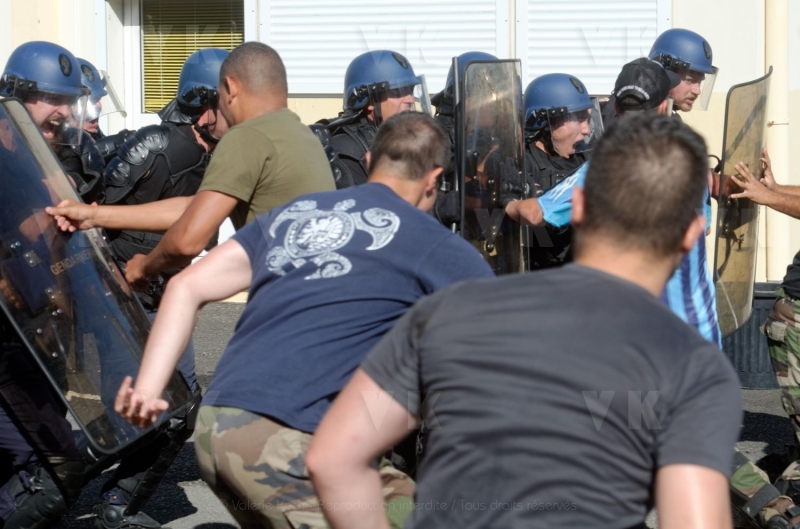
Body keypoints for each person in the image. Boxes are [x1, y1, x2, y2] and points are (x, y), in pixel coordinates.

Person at [307, 112, 742, 529]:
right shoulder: (694, 368)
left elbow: (333, 458)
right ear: (692, 232)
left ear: (578, 205)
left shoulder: (448, 312)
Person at [114, 112, 495, 529]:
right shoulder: (441, 248)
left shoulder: (298, 214)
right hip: (288, 441)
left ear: (369, 161)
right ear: (434, 178)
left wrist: (150, 389)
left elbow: (186, 286)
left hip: (217, 427)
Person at [47, 42, 336, 289]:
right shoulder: (296, 133)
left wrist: (144, 267)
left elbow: (189, 233)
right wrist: (92, 216)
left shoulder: (246, 139)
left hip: (293, 298)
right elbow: (194, 208)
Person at [0, 40, 91, 528]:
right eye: (51, 99)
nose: (63, 112)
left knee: (45, 467)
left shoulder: (35, 164)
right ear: (15, 97)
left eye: (69, 101)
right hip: (7, 349)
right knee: (56, 470)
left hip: (29, 345)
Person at [505, 73, 597, 269]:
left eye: (587, 119)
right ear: (544, 122)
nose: (587, 129)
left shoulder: (587, 160)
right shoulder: (520, 166)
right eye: (577, 118)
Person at [323, 49, 430, 187]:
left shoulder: (398, 138)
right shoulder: (347, 151)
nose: (410, 99)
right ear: (369, 101)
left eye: (410, 90)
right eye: (397, 91)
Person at [648, 28, 718, 115]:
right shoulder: (642, 122)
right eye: (689, 80)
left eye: (699, 81)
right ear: (664, 74)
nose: (697, 91)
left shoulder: (667, 117)